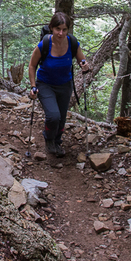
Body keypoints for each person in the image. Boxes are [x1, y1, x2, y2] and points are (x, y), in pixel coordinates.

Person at [28, 11, 90, 158]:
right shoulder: (44, 44)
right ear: (51, 28)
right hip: (45, 84)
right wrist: (33, 86)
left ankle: (57, 141)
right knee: (53, 116)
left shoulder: (73, 43)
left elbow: (82, 60)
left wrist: (85, 65)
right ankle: (49, 139)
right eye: (57, 29)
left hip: (65, 85)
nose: (61, 33)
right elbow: (32, 65)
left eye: (64, 29)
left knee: (61, 118)